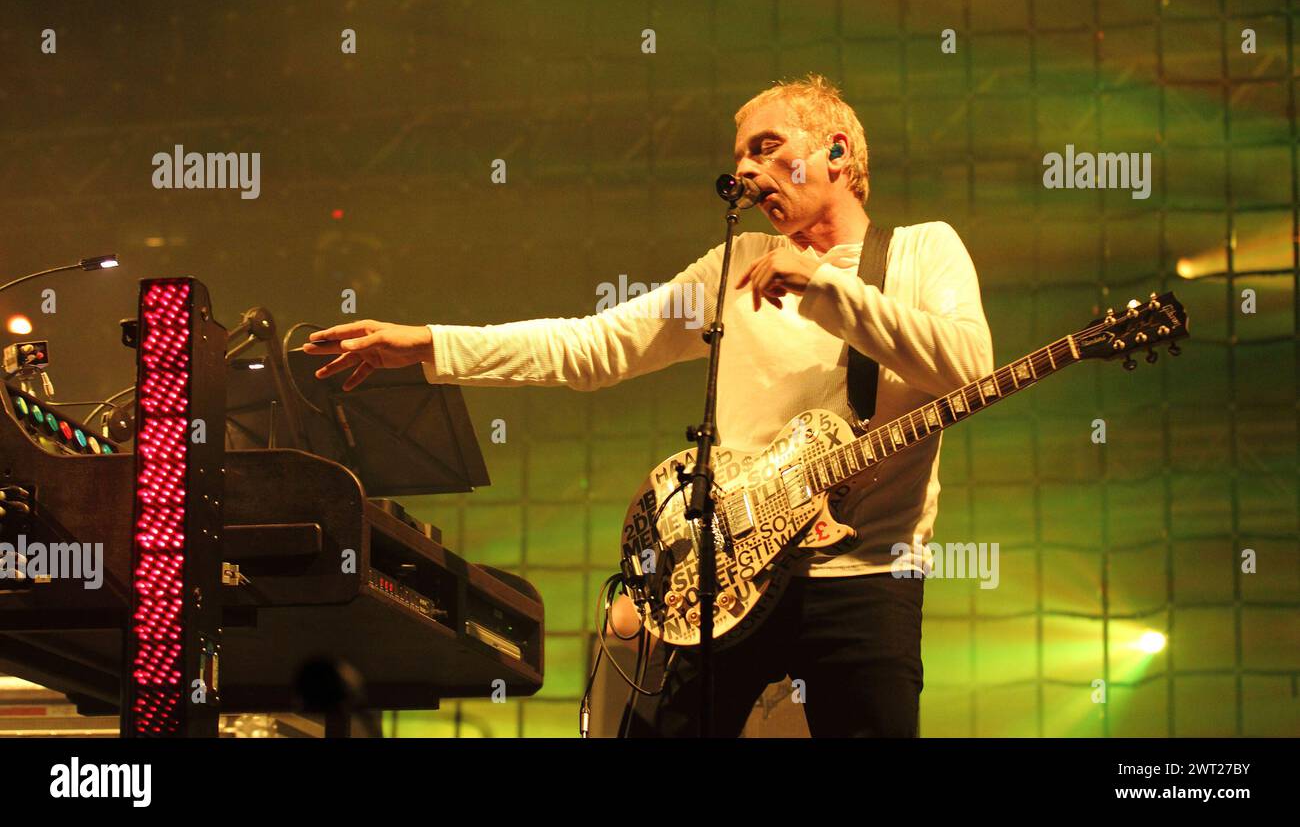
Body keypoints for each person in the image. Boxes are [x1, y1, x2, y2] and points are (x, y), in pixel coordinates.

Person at [303, 73, 994, 737]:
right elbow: (593, 347)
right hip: (726, 573)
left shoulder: (921, 252)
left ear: (837, 153)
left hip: (865, 576)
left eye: (766, 146)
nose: (749, 173)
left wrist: (827, 288)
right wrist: (429, 344)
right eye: (740, 158)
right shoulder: (735, 266)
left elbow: (968, 369)